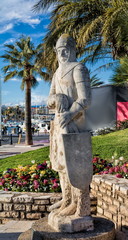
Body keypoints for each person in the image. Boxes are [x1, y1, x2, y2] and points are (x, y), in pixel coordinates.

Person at [47, 34, 91, 217]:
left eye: (66, 49)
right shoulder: (57, 73)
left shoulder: (78, 68)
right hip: (59, 124)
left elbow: (85, 98)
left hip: (75, 124)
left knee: (76, 164)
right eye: (59, 50)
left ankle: (81, 206)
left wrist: (70, 113)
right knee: (62, 165)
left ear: (73, 50)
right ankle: (67, 200)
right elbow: (49, 99)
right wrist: (56, 98)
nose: (62, 53)